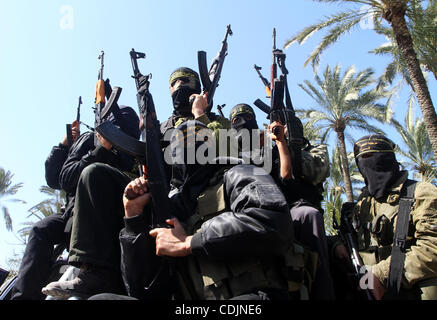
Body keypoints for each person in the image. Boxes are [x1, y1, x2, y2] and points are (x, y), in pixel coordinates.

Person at [92, 120, 294, 300]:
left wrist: (189, 241)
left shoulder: (239, 173)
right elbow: (142, 291)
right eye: (181, 143)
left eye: (199, 139)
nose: (190, 146)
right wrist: (134, 217)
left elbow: (272, 221)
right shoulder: (169, 207)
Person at [229, 103, 335, 300]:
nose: (243, 125)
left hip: (286, 209)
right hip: (252, 214)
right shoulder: (232, 154)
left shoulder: (273, 149)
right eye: (236, 121)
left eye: (248, 119)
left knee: (308, 215)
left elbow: (286, 175)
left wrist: (281, 142)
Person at [41, 106, 141, 300]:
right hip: (77, 215)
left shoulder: (139, 150)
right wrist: (98, 149)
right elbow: (62, 179)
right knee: (40, 230)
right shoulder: (90, 141)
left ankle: (96, 274)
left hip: (120, 212)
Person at [333, 134, 437, 300]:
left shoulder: (421, 193)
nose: (368, 166)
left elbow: (432, 248)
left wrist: (381, 274)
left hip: (405, 283)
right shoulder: (364, 203)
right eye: (362, 160)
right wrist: (338, 245)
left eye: (372, 158)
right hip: (367, 284)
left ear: (389, 159)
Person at [10, 121, 81, 300]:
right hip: (71, 211)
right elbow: (55, 179)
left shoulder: (122, 148)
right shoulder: (87, 144)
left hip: (97, 214)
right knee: (40, 229)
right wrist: (65, 146)